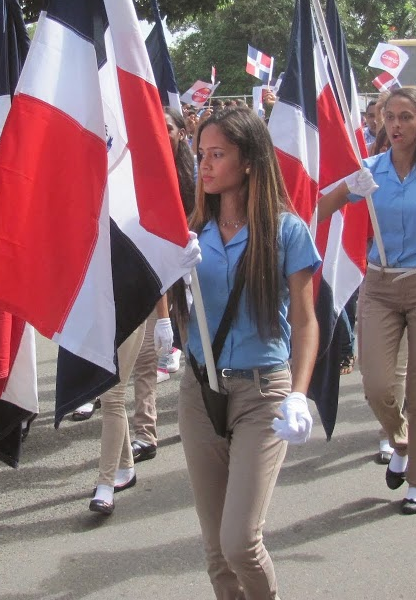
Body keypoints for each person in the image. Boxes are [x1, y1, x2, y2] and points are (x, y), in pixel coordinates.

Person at [179, 107, 319, 599]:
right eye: (201, 155)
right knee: (216, 550)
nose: (206, 166)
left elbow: (305, 322)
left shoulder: (286, 231)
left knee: (239, 541)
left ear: (250, 161)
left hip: (262, 394)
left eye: (218, 154)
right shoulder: (191, 230)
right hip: (200, 392)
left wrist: (298, 395)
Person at [318, 87, 416, 514]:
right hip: (381, 286)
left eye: (406, 117)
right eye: (390, 117)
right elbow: (318, 209)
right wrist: (347, 185)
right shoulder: (369, 170)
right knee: (376, 384)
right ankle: (400, 439)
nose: (397, 125)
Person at [128, 107, 195, 464]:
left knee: (198, 357)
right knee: (146, 358)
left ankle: (200, 417)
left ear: (182, 133)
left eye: (168, 128)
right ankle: (145, 432)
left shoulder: (196, 175)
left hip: (191, 280)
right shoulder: (140, 174)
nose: (163, 133)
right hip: (153, 281)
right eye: (158, 128)